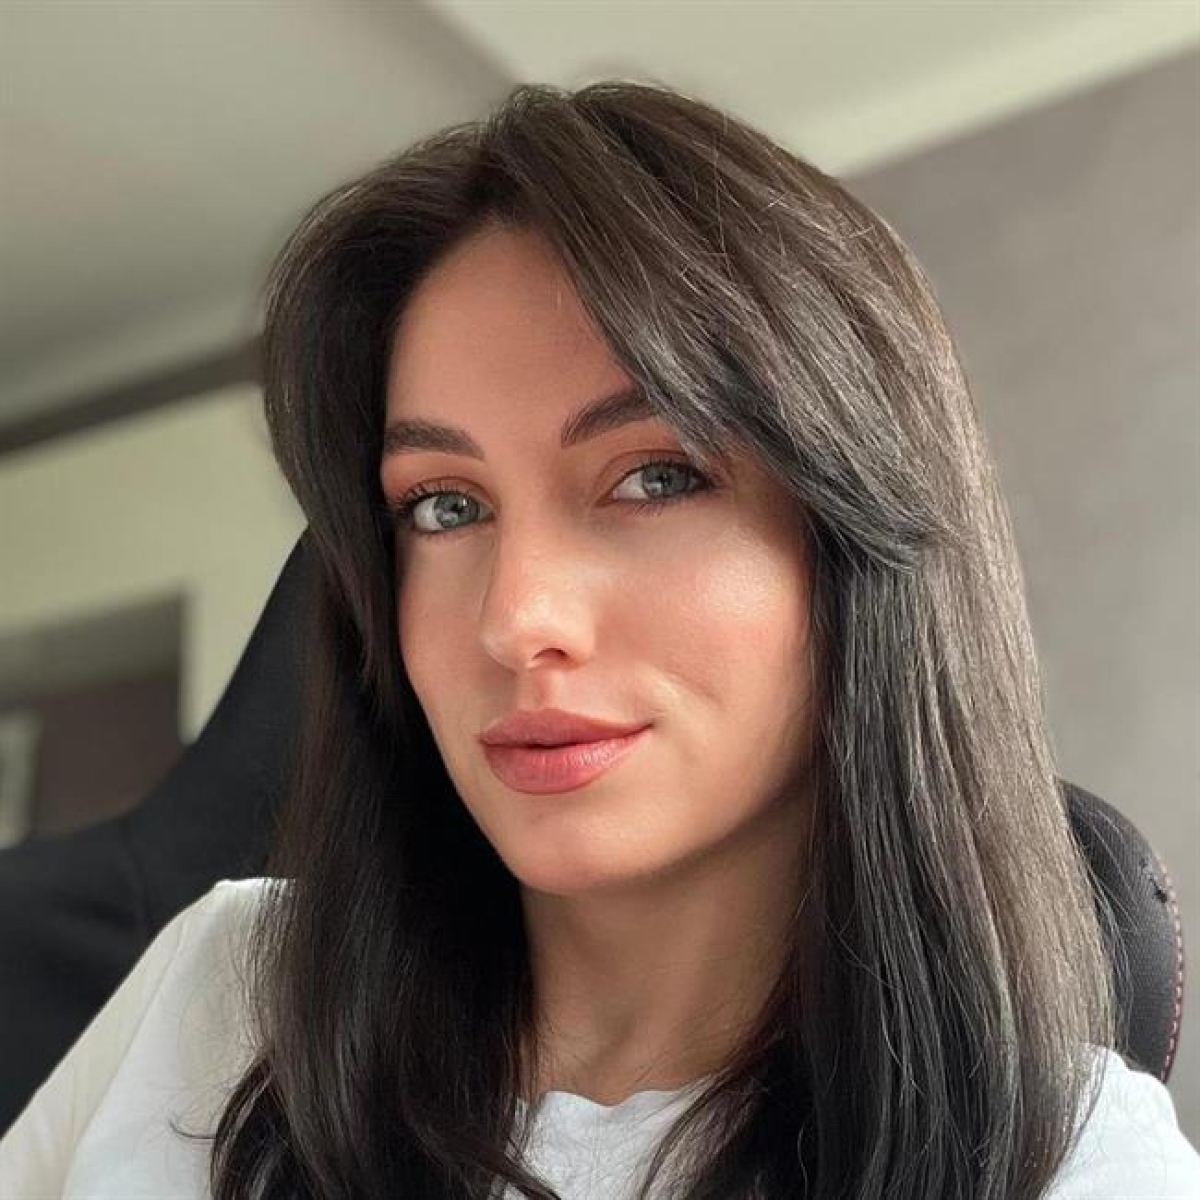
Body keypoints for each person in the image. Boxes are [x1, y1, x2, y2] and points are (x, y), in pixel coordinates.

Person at [1, 80, 1197, 1200]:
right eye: (445, 506)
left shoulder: (1076, 1162)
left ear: (853, 540)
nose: (516, 619)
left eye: (654, 478)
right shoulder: (218, 996)